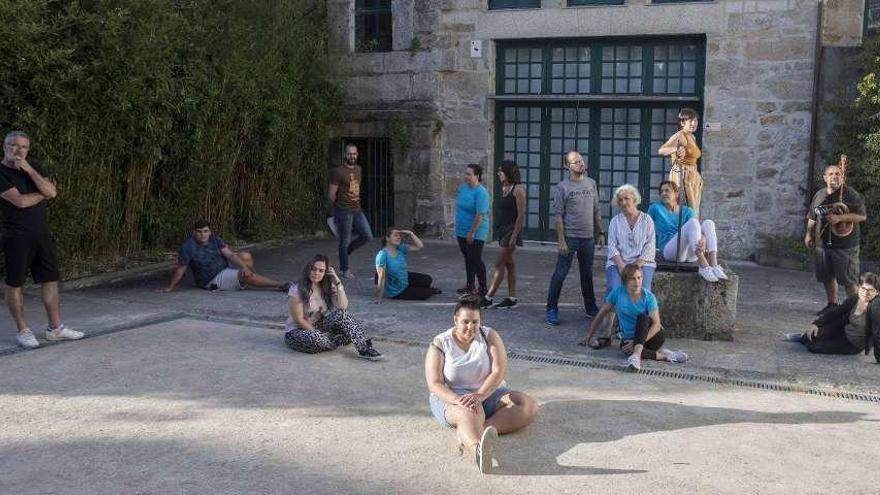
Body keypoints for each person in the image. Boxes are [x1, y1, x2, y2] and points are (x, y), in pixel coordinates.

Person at [425, 295, 537, 474]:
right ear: (455, 320)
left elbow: (498, 371)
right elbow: (435, 383)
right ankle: (478, 450)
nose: (471, 327)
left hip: (488, 393)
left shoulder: (489, 336)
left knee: (526, 404)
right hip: (453, 398)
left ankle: (473, 431)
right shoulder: (440, 343)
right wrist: (458, 400)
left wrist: (480, 395)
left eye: (475, 322)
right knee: (469, 411)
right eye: (465, 322)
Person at [0, 131, 83, 348]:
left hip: (42, 234)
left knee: (50, 280)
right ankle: (23, 330)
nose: (18, 150)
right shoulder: (1, 172)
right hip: (16, 236)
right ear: (4, 146)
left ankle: (55, 328)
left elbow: (51, 191)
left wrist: (28, 169)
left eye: (23, 147)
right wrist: (44, 193)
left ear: (28, 149)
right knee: (15, 283)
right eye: (13, 145)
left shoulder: (33, 166)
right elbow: (20, 202)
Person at [582, 264, 688, 371]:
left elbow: (656, 324)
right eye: (633, 279)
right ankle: (666, 356)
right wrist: (589, 336)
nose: (637, 282)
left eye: (639, 278)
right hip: (629, 338)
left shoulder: (649, 297)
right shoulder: (618, 293)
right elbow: (601, 313)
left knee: (643, 317)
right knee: (625, 349)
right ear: (625, 281)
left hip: (653, 337)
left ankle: (636, 356)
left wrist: (638, 342)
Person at [546, 151, 605, 326]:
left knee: (587, 274)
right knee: (560, 273)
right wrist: (561, 240)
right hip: (570, 237)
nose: (580, 163)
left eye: (581, 160)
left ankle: (590, 307)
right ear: (567, 166)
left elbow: (596, 210)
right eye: (575, 162)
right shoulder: (562, 187)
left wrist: (601, 232)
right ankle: (551, 309)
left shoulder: (591, 183)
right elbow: (558, 216)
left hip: (588, 238)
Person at [284, 254, 383, 359]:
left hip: (318, 326)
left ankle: (364, 349)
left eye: (321, 271)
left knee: (342, 315)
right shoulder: (297, 289)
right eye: (313, 269)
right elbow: (299, 320)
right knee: (317, 338)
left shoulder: (327, 287)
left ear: (326, 273)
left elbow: (343, 307)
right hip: (296, 332)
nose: (316, 273)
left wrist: (338, 283)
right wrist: (319, 334)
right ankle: (329, 341)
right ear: (308, 269)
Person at [805, 160, 867, 315]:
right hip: (823, 245)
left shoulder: (850, 194)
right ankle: (832, 304)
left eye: (838, 174)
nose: (835, 177)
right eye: (831, 174)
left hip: (845, 246)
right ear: (825, 177)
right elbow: (812, 216)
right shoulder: (819, 195)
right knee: (827, 276)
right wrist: (808, 233)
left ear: (843, 177)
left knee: (849, 280)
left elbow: (862, 216)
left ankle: (858, 310)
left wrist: (840, 218)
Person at [159, 220, 289, 292]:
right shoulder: (187, 247)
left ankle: (252, 277)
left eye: (205, 231)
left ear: (210, 231)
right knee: (245, 276)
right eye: (199, 232)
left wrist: (244, 267)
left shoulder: (214, 239)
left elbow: (231, 255)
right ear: (194, 232)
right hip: (212, 279)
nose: (202, 235)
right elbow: (180, 270)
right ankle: (281, 285)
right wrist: (170, 287)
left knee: (245, 256)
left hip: (224, 267)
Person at [784, 272, 879, 361]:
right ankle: (803, 336)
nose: (865, 293)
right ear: (858, 287)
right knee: (811, 335)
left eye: (871, 290)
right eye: (863, 288)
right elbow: (836, 312)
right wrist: (815, 324)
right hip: (843, 330)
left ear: (877, 292)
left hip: (853, 344)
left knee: (813, 347)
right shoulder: (855, 298)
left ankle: (805, 338)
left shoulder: (876, 308)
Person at [647, 180, 728, 282]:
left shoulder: (687, 211)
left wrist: (703, 239)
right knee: (693, 222)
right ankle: (703, 265)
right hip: (670, 251)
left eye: (667, 190)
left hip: (690, 253)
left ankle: (714, 264)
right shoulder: (656, 208)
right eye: (661, 191)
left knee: (708, 223)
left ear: (676, 194)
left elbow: (696, 229)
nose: (663, 193)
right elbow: (645, 225)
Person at [483, 160, 525, 309]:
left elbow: (521, 215)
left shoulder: (518, 189)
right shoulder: (504, 187)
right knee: (510, 264)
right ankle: (512, 298)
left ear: (509, 172)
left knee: (499, 263)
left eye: (501, 171)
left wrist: (514, 235)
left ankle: (488, 297)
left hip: (511, 231)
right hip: (503, 229)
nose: (498, 173)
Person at [328, 144, 373, 279]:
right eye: (349, 154)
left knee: (367, 236)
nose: (352, 156)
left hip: (357, 209)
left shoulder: (359, 169)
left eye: (354, 154)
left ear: (357, 154)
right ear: (345, 155)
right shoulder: (338, 172)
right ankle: (344, 269)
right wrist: (332, 211)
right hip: (343, 210)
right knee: (344, 240)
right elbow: (331, 194)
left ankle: (344, 254)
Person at [606, 184, 656, 292]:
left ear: (634, 199)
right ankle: (616, 309)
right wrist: (622, 267)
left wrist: (636, 266)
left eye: (626, 198)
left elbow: (650, 246)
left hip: (643, 262)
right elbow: (612, 246)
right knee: (615, 289)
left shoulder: (647, 220)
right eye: (620, 200)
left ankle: (642, 309)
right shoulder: (615, 221)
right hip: (619, 263)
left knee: (643, 290)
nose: (623, 202)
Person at [658, 108, 704, 216]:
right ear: (683, 123)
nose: (694, 123)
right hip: (682, 173)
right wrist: (675, 149)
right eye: (690, 121)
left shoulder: (692, 136)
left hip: (692, 175)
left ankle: (691, 230)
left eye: (696, 121)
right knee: (686, 207)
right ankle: (680, 231)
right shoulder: (679, 135)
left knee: (694, 208)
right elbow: (662, 150)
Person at [374, 228, 440, 302]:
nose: (399, 237)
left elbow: (420, 246)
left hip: (403, 278)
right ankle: (427, 290)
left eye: (399, 236)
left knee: (427, 279)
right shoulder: (382, 254)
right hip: (396, 289)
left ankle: (414, 288)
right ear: (387, 238)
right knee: (425, 294)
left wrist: (410, 233)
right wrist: (379, 297)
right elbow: (381, 277)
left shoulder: (400, 248)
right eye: (395, 235)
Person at [455, 164, 490, 299]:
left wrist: (472, 232)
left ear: (477, 176)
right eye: (466, 174)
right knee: (468, 258)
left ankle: (483, 288)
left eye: (469, 174)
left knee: (475, 258)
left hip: (476, 231)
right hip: (461, 230)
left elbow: (479, 214)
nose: (466, 176)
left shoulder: (481, 192)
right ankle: (470, 285)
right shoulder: (463, 188)